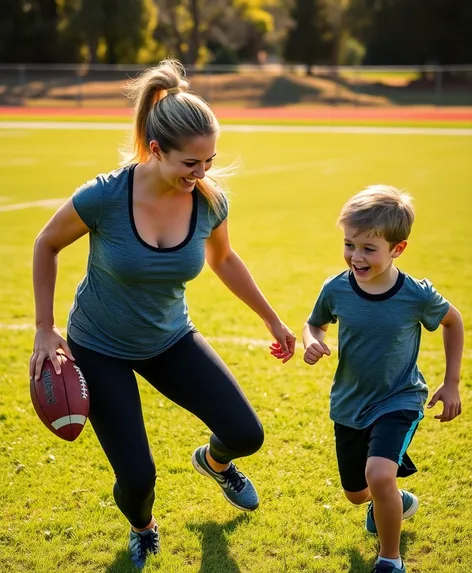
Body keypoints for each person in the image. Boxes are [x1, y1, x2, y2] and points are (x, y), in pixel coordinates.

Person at [30, 59, 296, 569]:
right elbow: (46, 244)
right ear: (156, 150)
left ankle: (215, 463)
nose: (201, 175)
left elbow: (224, 259)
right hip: (99, 346)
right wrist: (45, 328)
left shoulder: (209, 201)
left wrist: (272, 320)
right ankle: (144, 527)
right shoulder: (105, 196)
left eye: (209, 162)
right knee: (138, 477)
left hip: (170, 338)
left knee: (246, 434)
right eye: (190, 165)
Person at [301, 186, 463, 573]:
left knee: (378, 474)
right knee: (358, 494)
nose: (356, 256)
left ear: (398, 249)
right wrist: (312, 342)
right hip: (349, 403)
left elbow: (453, 321)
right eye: (349, 245)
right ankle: (394, 501)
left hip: (399, 399)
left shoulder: (416, 295)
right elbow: (315, 323)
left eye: (368, 248)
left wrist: (452, 381)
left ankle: (390, 559)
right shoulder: (336, 288)